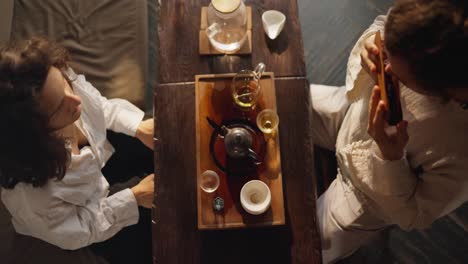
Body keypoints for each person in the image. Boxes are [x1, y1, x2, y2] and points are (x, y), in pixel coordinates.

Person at [310, 0, 468, 263]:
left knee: (303, 243)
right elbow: (385, 25)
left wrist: (391, 156)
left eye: (399, 77)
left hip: (368, 195)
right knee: (281, 99)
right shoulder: (440, 14)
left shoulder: (460, 150)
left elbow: (415, 214)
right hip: (350, 113)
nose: (387, 70)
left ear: (438, 93)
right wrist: (369, 45)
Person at [0, 38, 155, 263]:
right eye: (59, 106)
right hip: (88, 210)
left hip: (103, 155)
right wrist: (135, 197)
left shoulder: (53, 82)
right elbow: (80, 229)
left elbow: (98, 105)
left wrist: (137, 127)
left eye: (65, 83)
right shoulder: (32, 196)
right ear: (36, 132)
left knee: (172, 137)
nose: (76, 100)